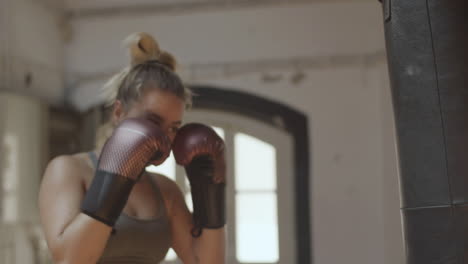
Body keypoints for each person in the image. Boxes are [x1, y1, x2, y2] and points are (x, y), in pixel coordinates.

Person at [38, 32, 226, 264]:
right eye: (153, 122)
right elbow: (69, 259)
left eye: (173, 128)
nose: (163, 137)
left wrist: (210, 194)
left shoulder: (165, 191)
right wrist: (115, 178)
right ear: (118, 113)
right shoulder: (69, 170)